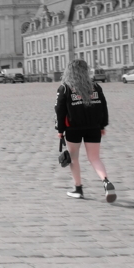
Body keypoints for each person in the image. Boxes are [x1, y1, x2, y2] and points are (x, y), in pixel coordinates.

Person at [55, 58, 116, 202]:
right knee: (95, 158)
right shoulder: (96, 87)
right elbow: (103, 107)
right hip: (93, 127)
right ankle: (106, 181)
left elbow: (60, 111)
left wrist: (60, 130)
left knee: (74, 158)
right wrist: (102, 125)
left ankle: (78, 188)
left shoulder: (65, 88)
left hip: (73, 128)